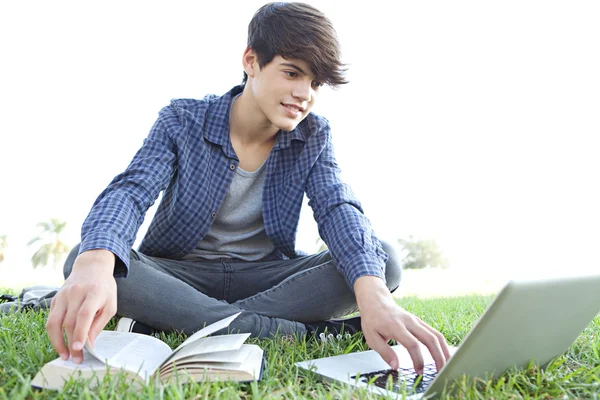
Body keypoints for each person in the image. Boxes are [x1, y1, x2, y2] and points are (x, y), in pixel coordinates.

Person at [46, 2, 450, 375]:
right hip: (182, 273)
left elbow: (337, 208)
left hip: (267, 278)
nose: (303, 95)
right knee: (87, 257)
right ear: (251, 61)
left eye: (315, 83)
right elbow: (131, 191)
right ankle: (300, 333)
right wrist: (97, 263)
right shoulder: (181, 119)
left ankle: (177, 319)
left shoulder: (313, 136)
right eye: (292, 73)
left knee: (383, 261)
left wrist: (375, 294)